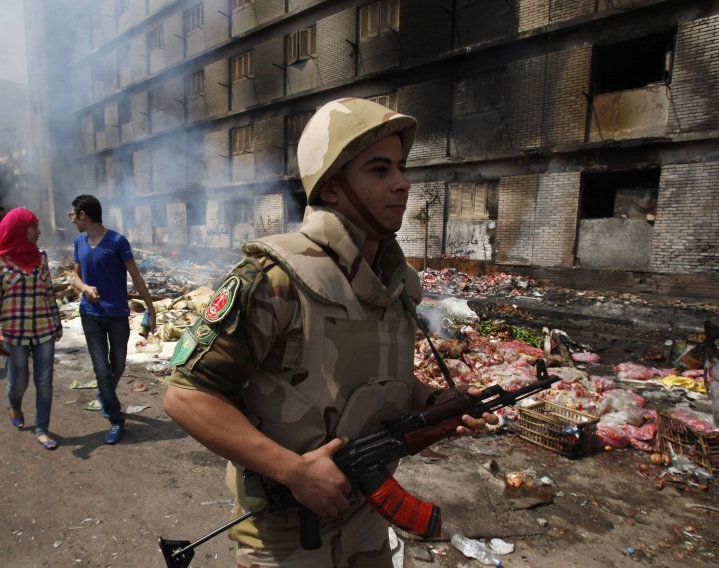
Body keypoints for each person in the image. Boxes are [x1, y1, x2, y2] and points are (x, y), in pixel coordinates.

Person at [163, 98, 497, 567]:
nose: (402, 183)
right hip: (284, 532)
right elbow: (186, 395)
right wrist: (295, 472)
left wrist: (430, 402)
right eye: (379, 170)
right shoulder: (275, 279)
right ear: (333, 187)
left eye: (401, 167)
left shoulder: (393, 285)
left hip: (365, 516)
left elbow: (373, 379)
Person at [70, 195, 156, 445]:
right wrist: (85, 288)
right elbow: (75, 277)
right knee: (100, 368)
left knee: (117, 365)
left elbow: (136, 277)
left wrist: (151, 310)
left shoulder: (117, 241)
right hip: (90, 315)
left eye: (73, 215)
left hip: (117, 314)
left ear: (83, 215)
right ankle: (116, 418)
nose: (73, 220)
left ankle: (104, 393)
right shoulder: (78, 242)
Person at [0, 207, 63, 450]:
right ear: (19, 229)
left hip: (43, 330)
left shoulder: (42, 257)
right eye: (33, 227)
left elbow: (49, 293)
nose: (38, 231)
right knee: (19, 382)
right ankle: (14, 404)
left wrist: (57, 324)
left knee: (45, 381)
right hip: (14, 333)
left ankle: (42, 429)